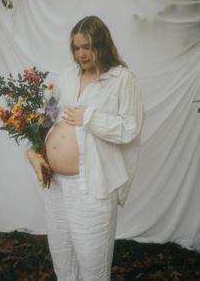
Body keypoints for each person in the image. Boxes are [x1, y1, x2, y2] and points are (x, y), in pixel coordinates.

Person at [27, 15, 145, 281]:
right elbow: (47, 116)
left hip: (92, 185)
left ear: (102, 45)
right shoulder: (67, 76)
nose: (81, 54)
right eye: (76, 47)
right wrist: (33, 151)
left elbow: (130, 127)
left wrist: (90, 117)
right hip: (55, 184)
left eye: (87, 47)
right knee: (62, 256)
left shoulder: (122, 79)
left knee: (92, 264)